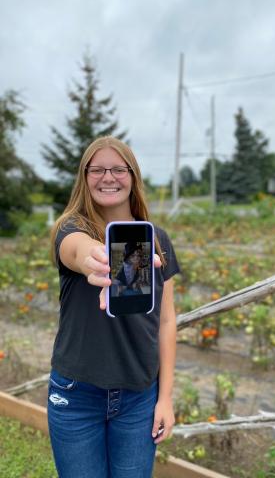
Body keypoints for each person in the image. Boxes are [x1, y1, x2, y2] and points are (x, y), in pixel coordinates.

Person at [48, 136, 180, 478]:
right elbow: (78, 250)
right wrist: (99, 259)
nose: (109, 177)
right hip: (77, 395)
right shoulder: (72, 229)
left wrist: (164, 397)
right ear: (84, 177)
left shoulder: (157, 239)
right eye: (98, 169)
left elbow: (166, 321)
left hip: (139, 396)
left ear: (133, 176)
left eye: (119, 169)